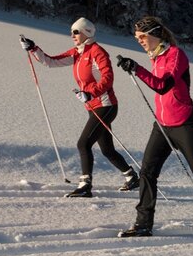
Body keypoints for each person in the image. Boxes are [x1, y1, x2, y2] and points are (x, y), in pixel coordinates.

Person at [115, 16, 193, 239]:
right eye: (137, 38)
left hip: (186, 125)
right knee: (147, 172)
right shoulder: (156, 57)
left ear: (156, 34)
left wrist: (137, 68)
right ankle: (143, 224)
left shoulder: (176, 55)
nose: (140, 41)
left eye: (142, 36)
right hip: (162, 125)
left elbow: (163, 86)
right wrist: (137, 68)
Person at [20, 18, 139, 197]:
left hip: (105, 105)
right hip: (93, 106)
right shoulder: (77, 52)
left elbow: (107, 78)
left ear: (87, 32)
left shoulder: (97, 52)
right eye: (72, 32)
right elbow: (51, 61)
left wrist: (91, 93)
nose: (72, 35)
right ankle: (132, 177)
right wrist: (33, 48)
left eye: (76, 32)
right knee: (107, 149)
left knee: (83, 143)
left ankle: (85, 185)